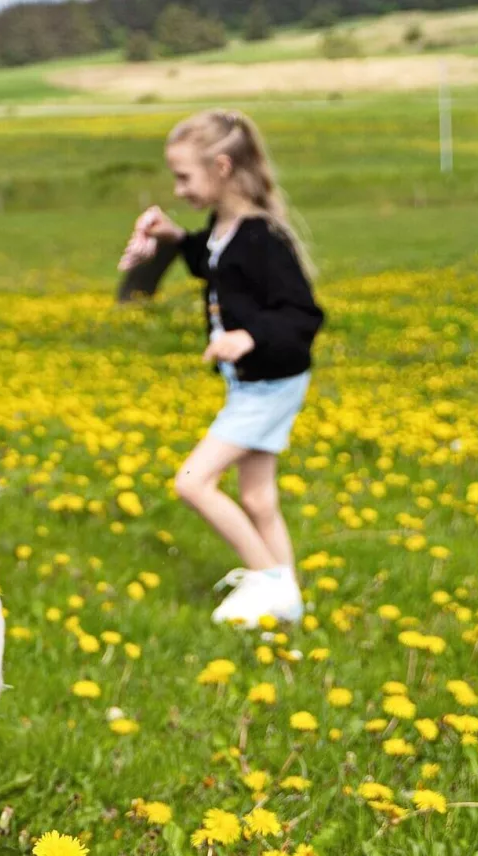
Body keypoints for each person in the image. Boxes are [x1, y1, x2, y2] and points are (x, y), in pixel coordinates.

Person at [119, 109, 324, 625]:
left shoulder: (263, 238)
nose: (179, 186)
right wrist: (171, 236)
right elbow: (209, 262)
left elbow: (303, 314)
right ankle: (290, 603)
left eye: (185, 176)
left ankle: (267, 583)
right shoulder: (224, 228)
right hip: (257, 385)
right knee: (257, 496)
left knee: (192, 481)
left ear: (223, 167)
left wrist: (247, 336)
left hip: (268, 386)